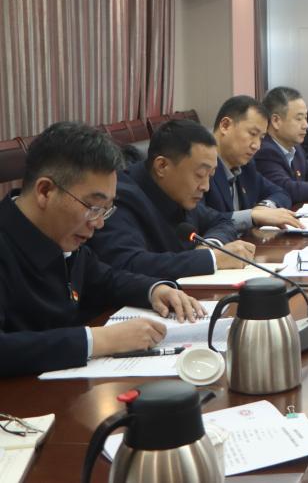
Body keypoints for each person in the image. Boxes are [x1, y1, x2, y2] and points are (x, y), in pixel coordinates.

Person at [0, 122, 205, 377]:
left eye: (106, 209)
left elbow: (106, 279)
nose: (98, 223)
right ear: (45, 191)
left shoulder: (62, 236)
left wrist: (154, 290)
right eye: (93, 207)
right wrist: (99, 340)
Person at [90, 119, 251, 280]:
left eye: (210, 176)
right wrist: (212, 259)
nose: (206, 187)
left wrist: (210, 246)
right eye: (200, 175)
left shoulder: (179, 193)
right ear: (162, 166)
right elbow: (129, 263)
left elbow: (222, 221)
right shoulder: (120, 197)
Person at [205, 96, 300, 230]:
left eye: (261, 138)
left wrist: (265, 207)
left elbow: (281, 193)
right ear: (225, 126)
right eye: (252, 133)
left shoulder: (246, 166)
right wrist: (251, 216)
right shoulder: (200, 167)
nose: (257, 146)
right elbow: (202, 219)